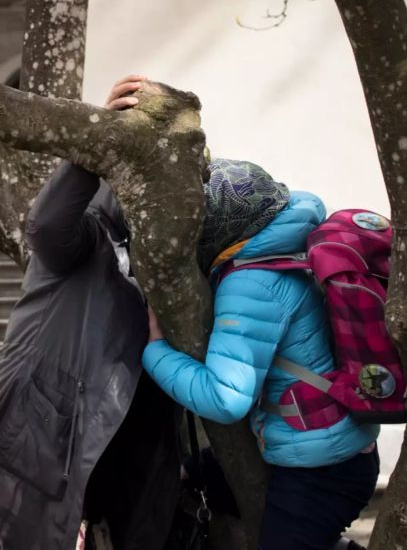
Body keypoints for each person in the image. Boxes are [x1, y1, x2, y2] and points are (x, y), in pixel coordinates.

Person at [0, 79, 182, 550]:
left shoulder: (155, 264)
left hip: (103, 450)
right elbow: (46, 222)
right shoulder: (85, 243)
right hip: (34, 440)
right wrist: (97, 141)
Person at [143, 157, 380, 550]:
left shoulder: (253, 281)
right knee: (193, 475)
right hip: (326, 441)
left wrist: (154, 351)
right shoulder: (292, 238)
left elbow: (225, 398)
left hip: (323, 467)